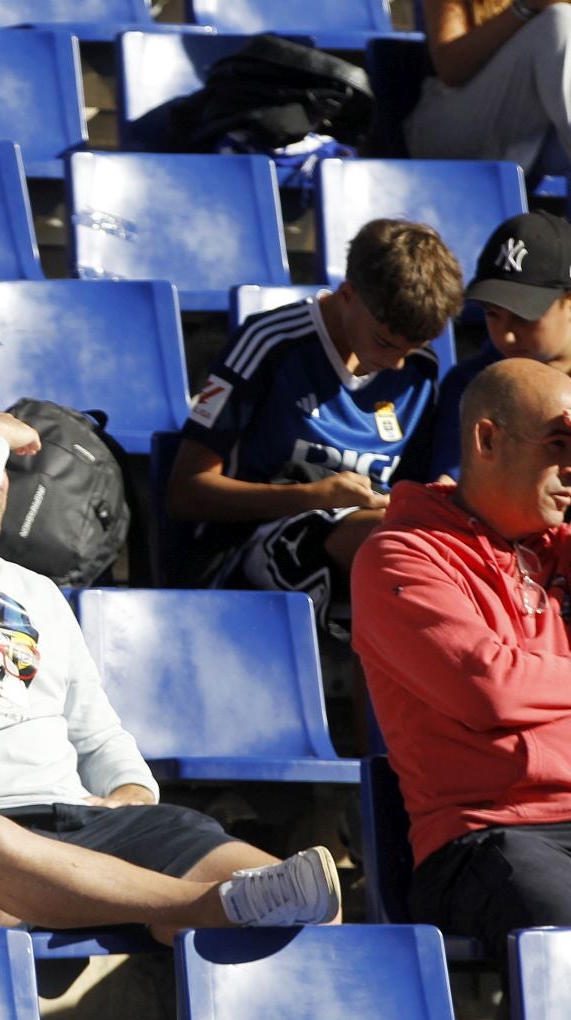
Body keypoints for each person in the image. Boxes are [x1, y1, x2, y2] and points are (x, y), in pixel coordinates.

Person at [0, 381, 342, 939]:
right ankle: (197, 907)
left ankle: (185, 907)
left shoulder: (38, 591)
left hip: (79, 822)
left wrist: (130, 792)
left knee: (308, 909)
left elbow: (97, 732)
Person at [352, 358, 571, 955]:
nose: (570, 467)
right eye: (557, 443)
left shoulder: (563, 549)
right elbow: (489, 689)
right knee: (563, 942)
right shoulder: (400, 557)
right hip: (490, 838)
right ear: (487, 439)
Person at [164, 220, 464, 629]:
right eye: (386, 343)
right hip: (246, 548)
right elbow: (186, 491)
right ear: (347, 296)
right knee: (395, 544)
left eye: (414, 348)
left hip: (375, 555)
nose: (398, 363)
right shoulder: (269, 343)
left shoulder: (418, 368)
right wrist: (313, 497)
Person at [433, 213, 571, 476]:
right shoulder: (470, 385)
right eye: (492, 313)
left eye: (524, 316)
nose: (506, 336)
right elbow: (453, 487)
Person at [408, 0, 571, 175]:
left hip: (536, 138)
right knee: (560, 19)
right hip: (450, 128)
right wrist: (525, 8)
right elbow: (450, 70)